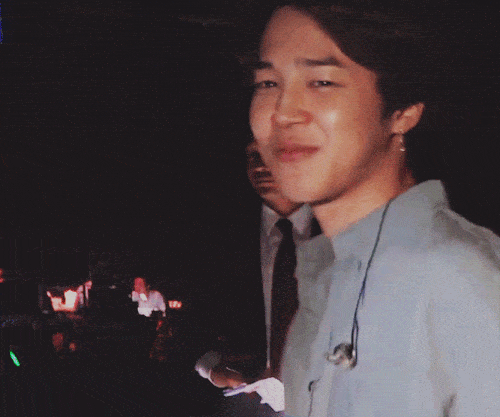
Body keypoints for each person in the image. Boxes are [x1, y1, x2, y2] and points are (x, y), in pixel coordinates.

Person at [249, 3, 500, 416]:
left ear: (403, 112)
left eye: (322, 81)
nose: (283, 112)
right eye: (268, 83)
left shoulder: (460, 277)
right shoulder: (322, 278)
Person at [195, 142, 318, 415]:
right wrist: (212, 370)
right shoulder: (224, 238)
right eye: (253, 155)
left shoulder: (343, 230)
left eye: (275, 151)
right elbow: (194, 320)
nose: (261, 165)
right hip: (250, 404)